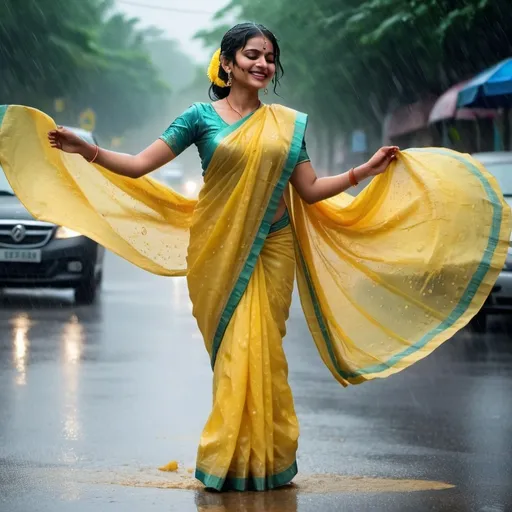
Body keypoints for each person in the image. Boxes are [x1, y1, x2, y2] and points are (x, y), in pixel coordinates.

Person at [0, 22, 509, 493]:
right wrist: (82, 149)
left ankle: (266, 461)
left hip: (275, 246)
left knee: (265, 352)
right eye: (252, 55)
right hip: (218, 249)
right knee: (234, 352)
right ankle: (227, 459)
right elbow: (136, 166)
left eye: (270, 57)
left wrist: (365, 171)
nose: (263, 64)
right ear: (226, 64)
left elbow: (308, 191)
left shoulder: (286, 125)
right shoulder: (199, 119)